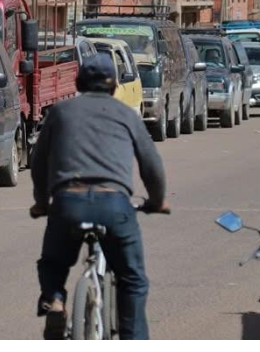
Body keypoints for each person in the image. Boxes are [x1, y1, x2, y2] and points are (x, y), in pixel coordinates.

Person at [30, 55, 167, 340]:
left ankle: (55, 299)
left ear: (78, 82)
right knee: (133, 280)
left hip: (67, 203)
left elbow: (39, 161)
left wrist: (42, 202)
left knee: (53, 262)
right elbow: (151, 164)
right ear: (115, 86)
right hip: (114, 204)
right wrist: (157, 200)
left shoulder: (61, 112)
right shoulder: (127, 114)